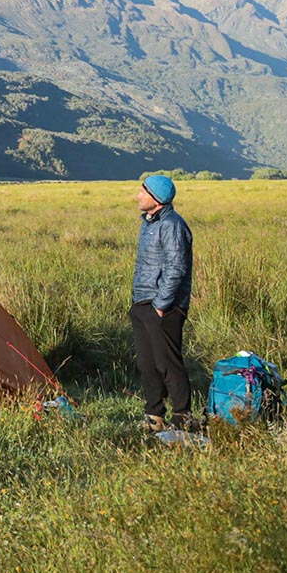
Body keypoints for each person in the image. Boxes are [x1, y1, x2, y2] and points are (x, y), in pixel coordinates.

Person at [130, 174, 195, 431]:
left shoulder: (172, 225)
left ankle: (182, 417)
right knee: (147, 364)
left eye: (143, 192)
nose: (138, 195)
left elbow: (176, 267)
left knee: (167, 363)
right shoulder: (149, 223)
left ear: (156, 198)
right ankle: (154, 416)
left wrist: (160, 304)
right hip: (142, 301)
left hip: (164, 306)